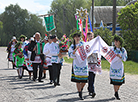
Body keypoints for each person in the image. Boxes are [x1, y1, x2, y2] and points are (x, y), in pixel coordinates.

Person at [68, 33, 88, 100]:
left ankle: (81, 89)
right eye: (76, 37)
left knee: (84, 80)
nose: (77, 38)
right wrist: (75, 50)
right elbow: (70, 55)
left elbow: (88, 51)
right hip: (76, 64)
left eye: (78, 37)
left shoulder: (83, 44)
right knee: (78, 80)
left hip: (83, 63)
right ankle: (80, 93)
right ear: (74, 38)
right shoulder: (72, 46)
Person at [110, 34, 127, 100]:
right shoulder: (112, 49)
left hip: (119, 67)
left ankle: (117, 90)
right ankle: (116, 93)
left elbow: (125, 59)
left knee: (119, 82)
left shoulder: (123, 50)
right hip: (113, 66)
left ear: (120, 42)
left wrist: (120, 56)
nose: (116, 43)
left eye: (117, 41)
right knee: (115, 81)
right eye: (115, 42)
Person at [87, 32, 101, 98]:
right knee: (90, 77)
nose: (90, 37)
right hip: (88, 63)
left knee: (93, 78)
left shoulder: (96, 44)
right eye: (89, 36)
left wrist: (98, 39)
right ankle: (92, 91)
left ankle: (90, 88)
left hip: (94, 62)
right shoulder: (86, 44)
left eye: (91, 36)